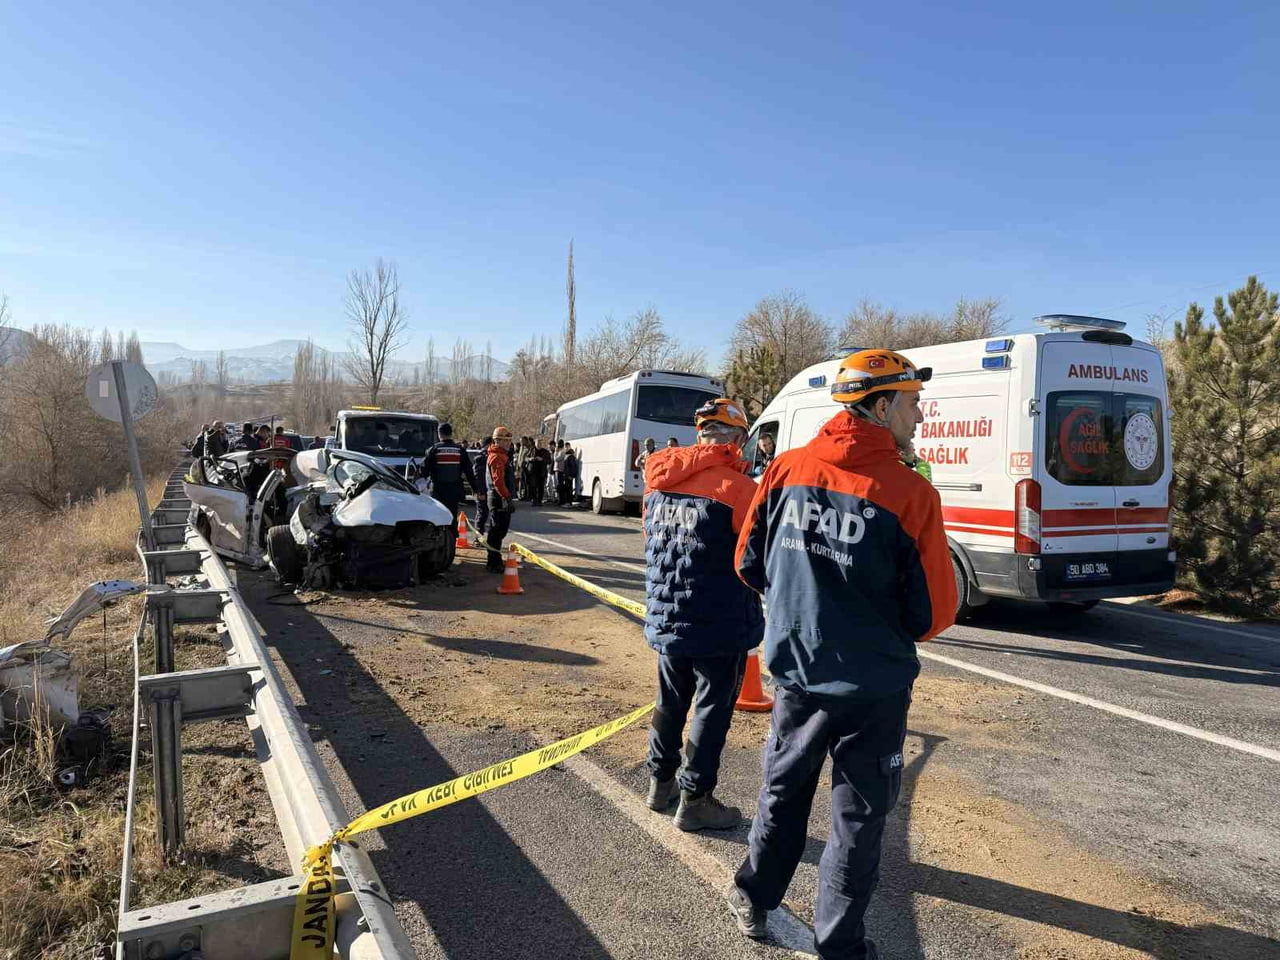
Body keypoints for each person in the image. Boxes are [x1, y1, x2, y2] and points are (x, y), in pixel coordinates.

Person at [727, 349, 957, 958]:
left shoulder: (785, 469)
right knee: (856, 819)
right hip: (873, 689)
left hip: (797, 672)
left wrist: (805, 604)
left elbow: (748, 563)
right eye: (912, 402)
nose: (921, 415)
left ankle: (754, 896)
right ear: (881, 407)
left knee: (783, 789)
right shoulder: (910, 493)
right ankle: (839, 946)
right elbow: (932, 614)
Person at [642, 399, 763, 832]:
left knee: (670, 702)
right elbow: (756, 560)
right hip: (719, 621)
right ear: (740, 440)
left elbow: (652, 542)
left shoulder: (658, 482)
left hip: (668, 616)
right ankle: (695, 798)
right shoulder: (740, 491)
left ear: (701, 435)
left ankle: (660, 783)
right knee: (712, 707)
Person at [422, 422, 480, 550]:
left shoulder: (433, 450)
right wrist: (476, 490)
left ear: (439, 434)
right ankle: (451, 547)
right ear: (451, 433)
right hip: (454, 491)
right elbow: (469, 472)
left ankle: (437, 547)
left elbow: (423, 472)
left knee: (437, 518)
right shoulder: (460, 450)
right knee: (452, 517)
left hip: (437, 491)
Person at [485, 426, 517, 573]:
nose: (509, 444)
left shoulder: (500, 455)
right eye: (506, 441)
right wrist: (507, 497)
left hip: (498, 497)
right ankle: (494, 561)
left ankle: (494, 559)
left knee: (498, 530)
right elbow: (498, 481)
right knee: (497, 531)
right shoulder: (497, 457)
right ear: (499, 441)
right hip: (499, 498)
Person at [473, 436, 491, 537]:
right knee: (481, 515)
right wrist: (480, 492)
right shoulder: (480, 458)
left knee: (485, 514)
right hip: (483, 491)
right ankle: (478, 538)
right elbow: (478, 477)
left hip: (488, 491)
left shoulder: (488, 456)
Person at [529, 441, 550, 507]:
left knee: (541, 487)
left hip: (542, 472)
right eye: (537, 444)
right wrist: (530, 459)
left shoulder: (545, 451)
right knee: (533, 486)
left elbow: (549, 461)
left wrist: (542, 459)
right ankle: (534, 500)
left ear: (541, 444)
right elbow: (526, 458)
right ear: (535, 444)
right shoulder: (532, 450)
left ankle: (539, 501)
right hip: (534, 472)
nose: (538, 445)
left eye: (540, 444)